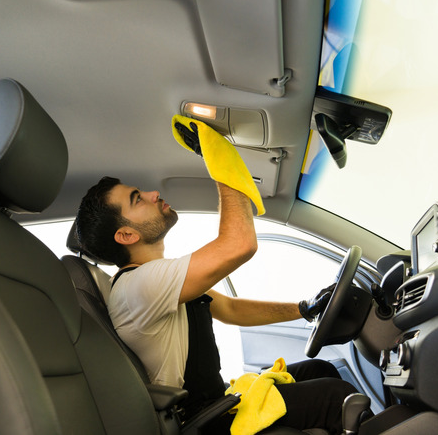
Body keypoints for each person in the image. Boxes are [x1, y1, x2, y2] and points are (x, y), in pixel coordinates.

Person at [73, 119, 358, 434]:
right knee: (336, 398)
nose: (154, 194)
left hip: (217, 403)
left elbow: (231, 309)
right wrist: (218, 156)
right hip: (205, 422)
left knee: (321, 368)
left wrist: (304, 308)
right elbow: (240, 244)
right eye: (137, 199)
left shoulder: (154, 281)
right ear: (126, 235)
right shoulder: (138, 286)